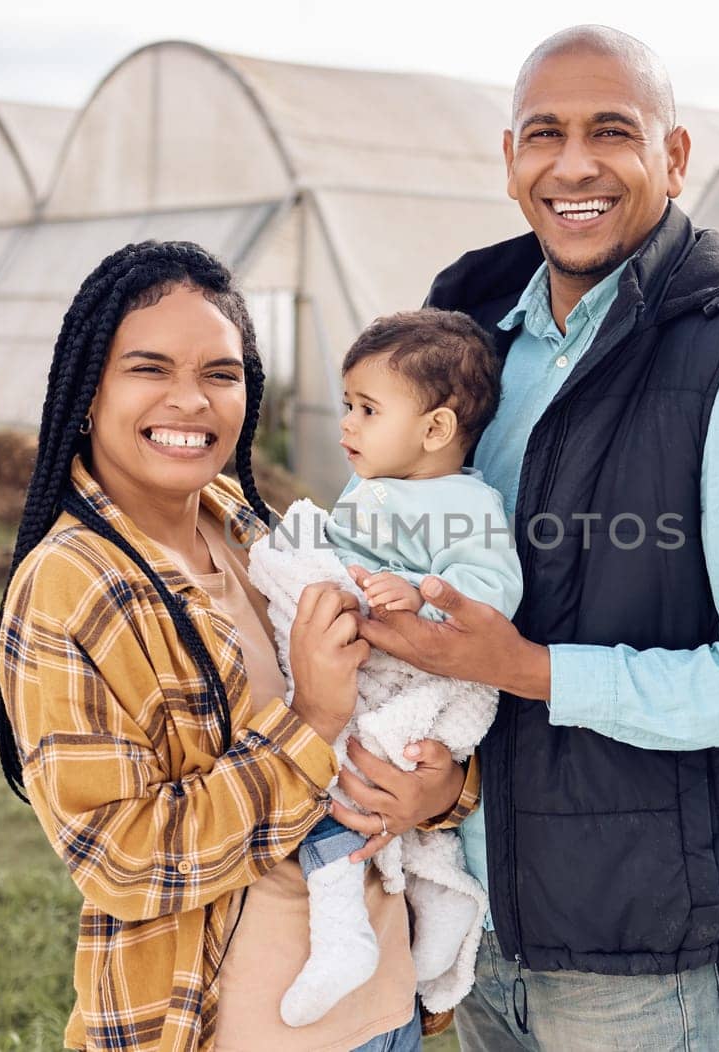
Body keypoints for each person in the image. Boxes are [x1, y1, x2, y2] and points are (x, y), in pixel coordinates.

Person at [356, 26, 719, 1051]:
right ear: (509, 160)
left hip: (633, 951)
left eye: (611, 132)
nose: (572, 163)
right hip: (472, 907)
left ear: (673, 158)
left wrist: (532, 667)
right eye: (545, 133)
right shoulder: (467, 330)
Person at [0, 241, 474, 1051]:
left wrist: (440, 790)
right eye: (150, 369)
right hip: (249, 1030)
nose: (192, 402)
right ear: (88, 389)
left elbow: (395, 704)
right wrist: (310, 721)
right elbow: (123, 858)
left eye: (221, 373)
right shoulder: (71, 584)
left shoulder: (253, 530)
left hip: (390, 1013)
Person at [277, 308, 523, 1027]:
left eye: (366, 409)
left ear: (436, 430)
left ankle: (343, 928)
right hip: (356, 657)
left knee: (345, 785)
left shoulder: (467, 507)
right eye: (348, 405)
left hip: (416, 682)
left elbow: (493, 594)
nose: (346, 424)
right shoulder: (374, 484)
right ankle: (400, 928)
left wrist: (420, 594)